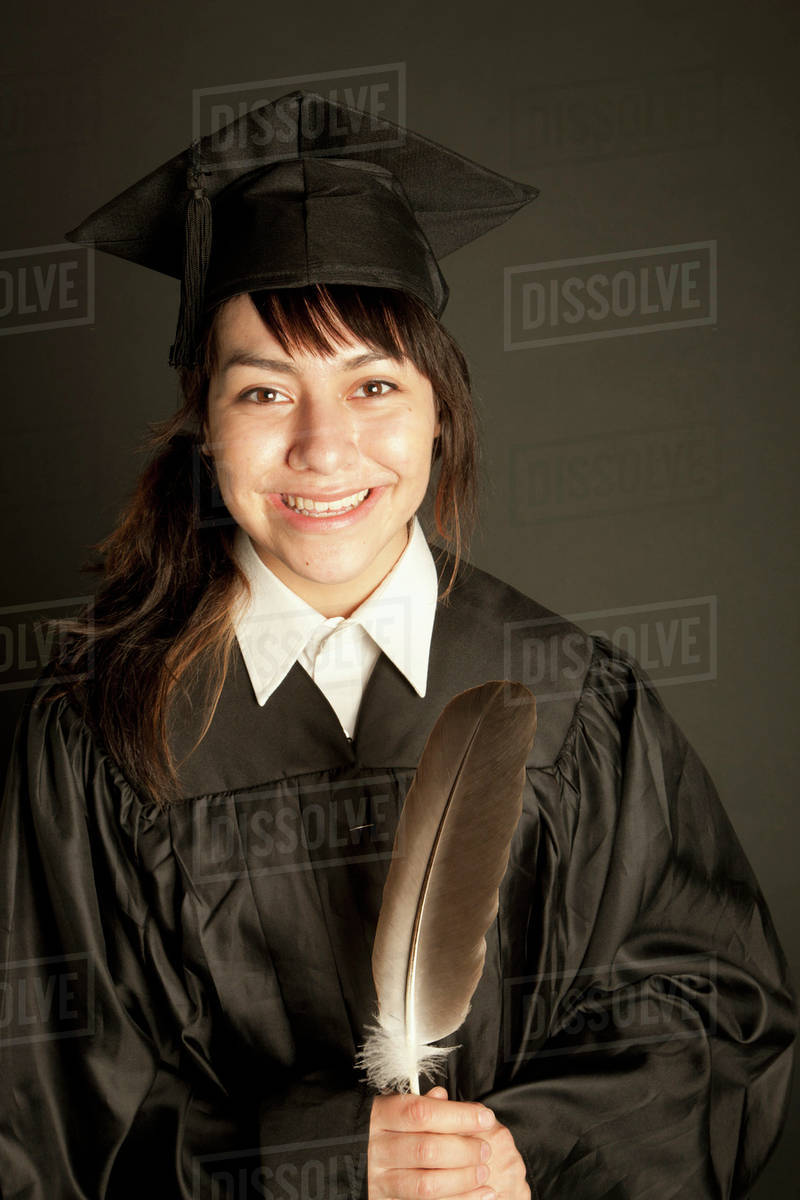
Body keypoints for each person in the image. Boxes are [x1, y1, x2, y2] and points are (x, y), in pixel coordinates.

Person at [0, 90, 795, 1200]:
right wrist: (310, 1160)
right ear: (204, 426)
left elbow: (718, 1017)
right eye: (265, 390)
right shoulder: (96, 733)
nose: (324, 448)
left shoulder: (572, 698)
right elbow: (36, 1122)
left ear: (439, 414)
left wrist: (518, 1152)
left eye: (373, 384)